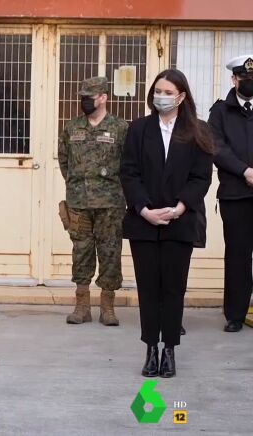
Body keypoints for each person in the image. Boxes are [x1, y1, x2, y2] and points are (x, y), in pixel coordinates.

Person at [120, 69, 213, 378]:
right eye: (157, 91)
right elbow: (129, 172)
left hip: (179, 222)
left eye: (168, 92)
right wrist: (144, 209)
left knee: (173, 288)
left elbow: (201, 177)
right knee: (148, 289)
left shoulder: (197, 130)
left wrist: (180, 207)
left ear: (181, 97)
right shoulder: (138, 129)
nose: (161, 96)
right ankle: (150, 348)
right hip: (144, 223)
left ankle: (169, 348)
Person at [58, 76, 129, 326]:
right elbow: (64, 160)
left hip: (110, 204)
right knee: (81, 252)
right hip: (79, 202)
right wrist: (76, 184)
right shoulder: (72, 127)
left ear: (103, 98)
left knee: (110, 252)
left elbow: (128, 164)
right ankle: (82, 307)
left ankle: (107, 307)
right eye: (82, 97)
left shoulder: (120, 128)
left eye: (89, 97)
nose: (84, 101)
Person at [210, 54, 253, 333]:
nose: (249, 82)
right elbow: (216, 147)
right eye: (244, 77)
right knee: (238, 256)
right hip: (235, 195)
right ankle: (235, 314)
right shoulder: (220, 111)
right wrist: (244, 171)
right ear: (234, 79)